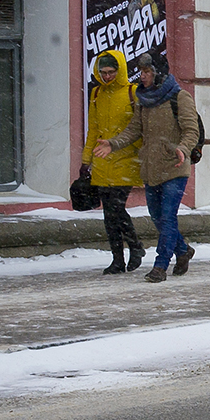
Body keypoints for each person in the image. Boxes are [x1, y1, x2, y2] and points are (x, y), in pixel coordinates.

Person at [96, 51, 200, 283]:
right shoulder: (143, 99)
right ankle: (183, 250)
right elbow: (134, 130)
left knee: (168, 216)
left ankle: (160, 266)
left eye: (147, 72)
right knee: (157, 217)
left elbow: (191, 131)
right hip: (151, 169)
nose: (142, 76)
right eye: (141, 72)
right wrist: (113, 144)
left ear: (158, 73)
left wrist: (182, 149)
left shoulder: (179, 97)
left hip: (175, 166)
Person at [83, 49, 145, 275]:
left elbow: (140, 128)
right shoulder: (96, 93)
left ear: (120, 70)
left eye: (111, 72)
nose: (107, 76)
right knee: (108, 214)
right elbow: (93, 129)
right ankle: (118, 259)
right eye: (103, 72)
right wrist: (86, 160)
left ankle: (135, 246)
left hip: (126, 160)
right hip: (102, 159)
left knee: (116, 209)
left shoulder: (133, 92)